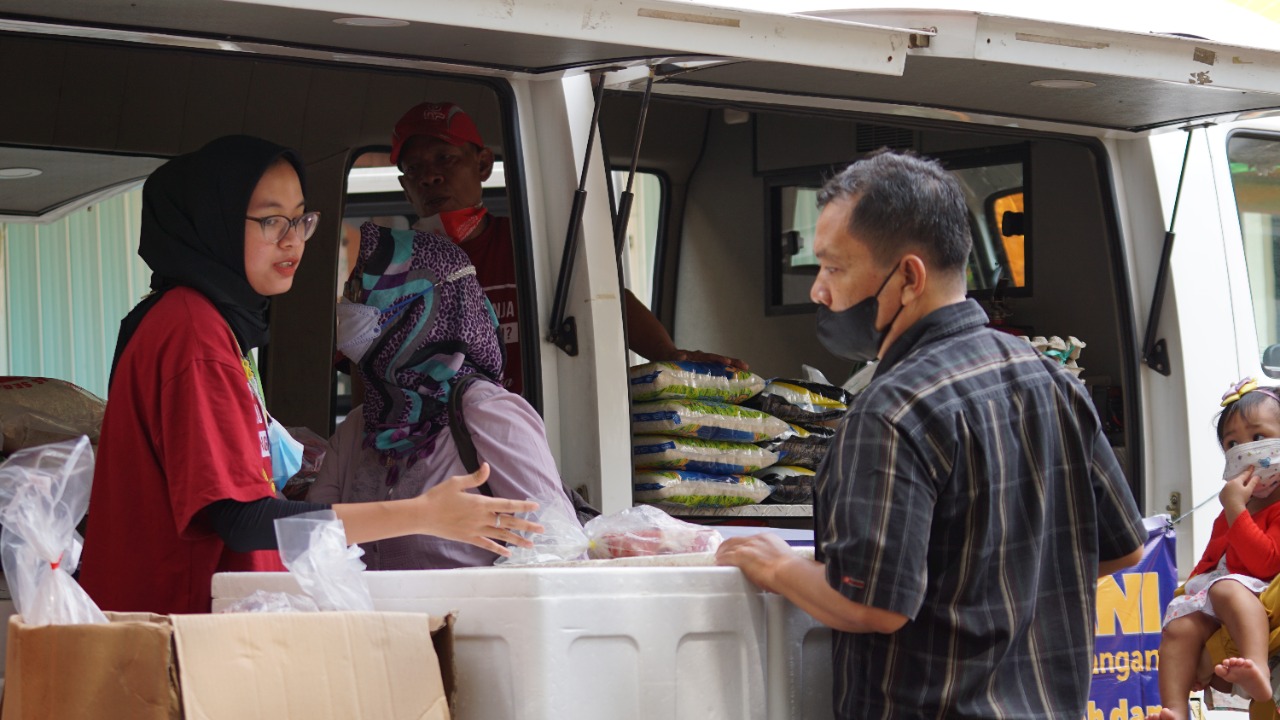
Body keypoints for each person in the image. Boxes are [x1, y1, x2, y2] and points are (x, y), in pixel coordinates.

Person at [714, 150, 1146, 719]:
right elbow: (1123, 547)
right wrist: (993, 589)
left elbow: (873, 604)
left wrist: (777, 565)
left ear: (908, 278)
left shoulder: (889, 413)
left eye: (835, 268)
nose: (819, 292)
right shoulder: (1050, 377)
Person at [79, 136, 542, 616]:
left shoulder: (210, 325)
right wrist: (424, 515)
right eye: (271, 220)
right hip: (178, 627)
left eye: (301, 219)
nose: (292, 239)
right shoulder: (194, 333)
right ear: (212, 220)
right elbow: (241, 519)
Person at [387, 101, 748, 395]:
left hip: (535, 437)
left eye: (444, 158)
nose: (429, 177)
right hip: (433, 448)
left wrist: (669, 356)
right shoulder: (388, 269)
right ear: (406, 188)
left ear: (482, 164)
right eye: (414, 168)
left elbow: (606, 299)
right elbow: (365, 370)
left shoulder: (530, 244)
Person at [308, 221, 578, 569]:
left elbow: (557, 548)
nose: (348, 305)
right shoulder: (359, 427)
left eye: (362, 291)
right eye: (350, 289)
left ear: (420, 307)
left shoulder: (486, 413)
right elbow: (310, 542)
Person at [1147, 378, 1280, 720]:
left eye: (1258, 438)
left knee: (1226, 588)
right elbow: (1212, 562)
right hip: (1223, 593)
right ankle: (1175, 710)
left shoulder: (1248, 506)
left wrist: (1235, 508)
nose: (1244, 450)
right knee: (1179, 625)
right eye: (1232, 443)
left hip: (1253, 591)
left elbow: (1264, 563)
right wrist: (1187, 596)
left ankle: (1258, 668)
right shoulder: (1234, 506)